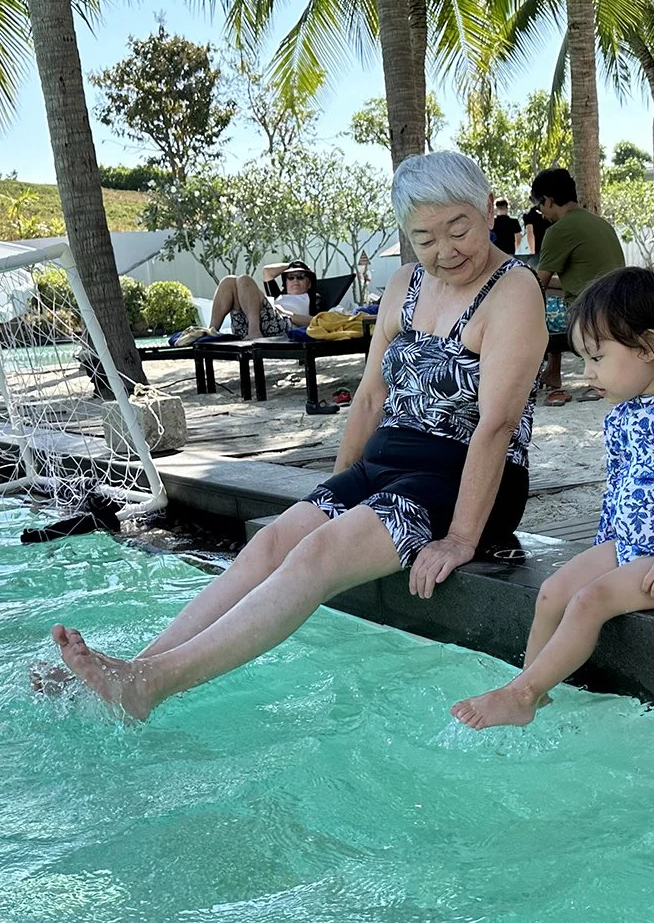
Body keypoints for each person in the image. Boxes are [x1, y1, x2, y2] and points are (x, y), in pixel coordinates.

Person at [44, 152, 548, 721]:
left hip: (461, 478)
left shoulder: (513, 289)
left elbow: (497, 424)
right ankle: (130, 671)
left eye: (458, 230)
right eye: (424, 238)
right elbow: (370, 398)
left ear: (487, 211)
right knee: (272, 542)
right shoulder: (406, 284)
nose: (445, 251)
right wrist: (336, 491)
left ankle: (151, 685)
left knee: (318, 554)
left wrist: (459, 538)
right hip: (384, 465)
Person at [451, 266, 654, 729]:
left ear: (647, 347)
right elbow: (618, 489)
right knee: (553, 591)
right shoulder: (619, 417)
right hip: (625, 546)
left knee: (589, 601)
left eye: (597, 357)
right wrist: (600, 549)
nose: (587, 372)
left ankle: (522, 695)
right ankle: (532, 687)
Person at [530, 166, 624, 405]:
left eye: (539, 206)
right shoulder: (600, 223)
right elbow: (582, 277)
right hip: (617, 305)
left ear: (549, 200)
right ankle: (552, 372)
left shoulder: (559, 230)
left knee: (528, 310)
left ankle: (526, 380)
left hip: (587, 314)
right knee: (554, 299)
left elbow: (535, 286)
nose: (541, 213)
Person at [209, 259, 319, 340]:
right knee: (228, 281)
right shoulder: (278, 295)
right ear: (285, 283)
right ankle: (211, 331)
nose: (295, 280)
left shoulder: (313, 297)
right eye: (291, 277)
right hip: (246, 324)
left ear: (309, 284)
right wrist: (292, 264)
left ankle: (254, 331)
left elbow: (318, 320)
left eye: (300, 277)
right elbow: (267, 272)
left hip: (281, 326)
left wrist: (287, 314)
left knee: (245, 280)